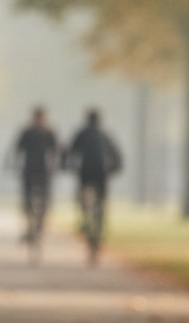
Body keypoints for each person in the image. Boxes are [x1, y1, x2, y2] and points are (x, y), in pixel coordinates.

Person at [63, 109, 122, 262]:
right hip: (102, 173)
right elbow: (116, 155)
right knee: (101, 201)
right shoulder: (105, 135)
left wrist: (67, 166)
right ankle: (101, 223)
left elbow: (69, 151)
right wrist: (114, 168)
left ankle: (84, 219)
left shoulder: (81, 133)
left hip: (86, 172)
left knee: (82, 196)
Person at [10, 107, 59, 256]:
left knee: (37, 199)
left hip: (34, 171)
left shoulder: (30, 132)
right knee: (35, 198)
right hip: (39, 171)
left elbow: (17, 150)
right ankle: (34, 221)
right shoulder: (48, 132)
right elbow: (57, 151)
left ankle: (37, 221)